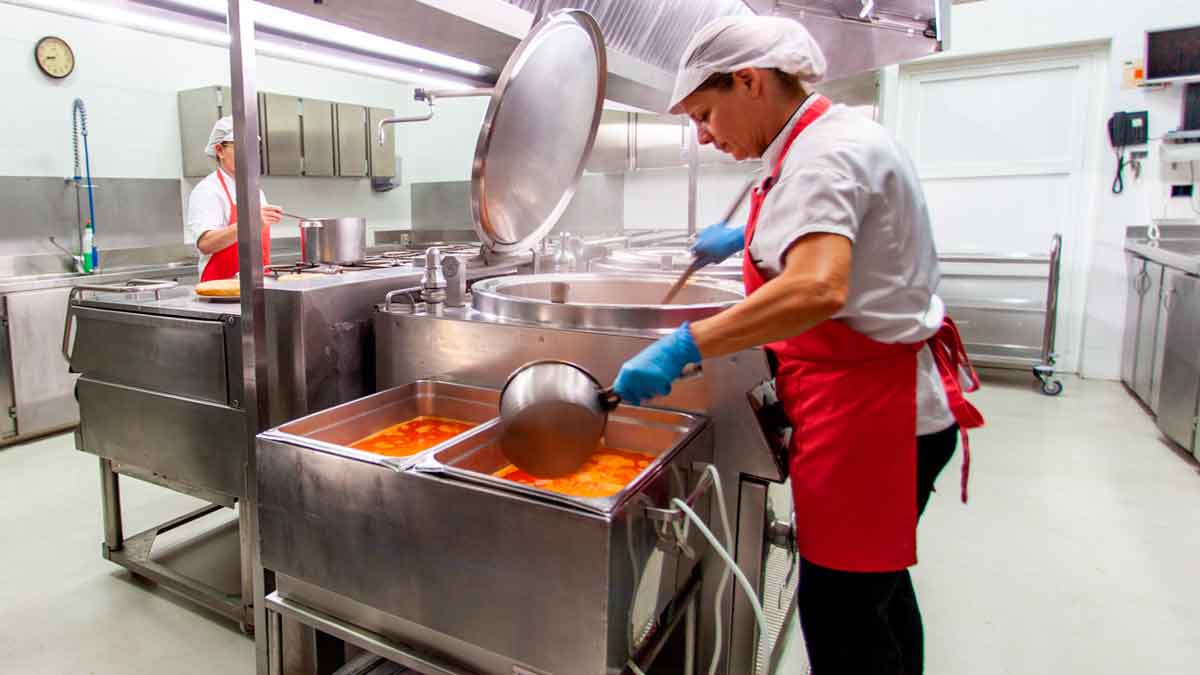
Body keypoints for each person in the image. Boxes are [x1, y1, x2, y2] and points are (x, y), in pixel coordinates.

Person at [611, 16, 985, 675]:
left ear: (749, 81)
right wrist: (749, 234)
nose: (704, 134)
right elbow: (829, 236)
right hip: (874, 406)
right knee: (879, 592)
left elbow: (816, 287)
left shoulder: (824, 155)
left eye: (705, 113)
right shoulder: (818, 142)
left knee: (841, 614)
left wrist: (682, 346)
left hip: (874, 417)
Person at [186, 116, 282, 281]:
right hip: (220, 290)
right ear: (219, 150)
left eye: (253, 148)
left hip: (256, 285)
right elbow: (206, 244)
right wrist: (249, 223)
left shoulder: (255, 191)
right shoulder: (208, 190)